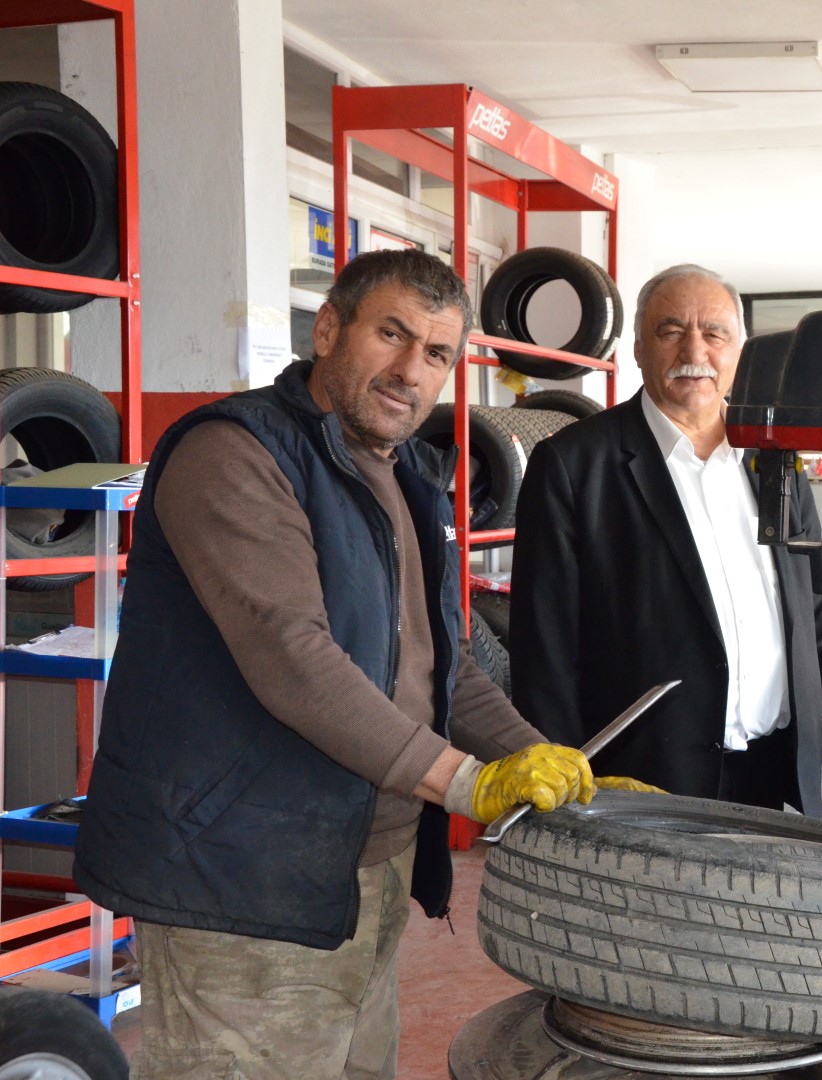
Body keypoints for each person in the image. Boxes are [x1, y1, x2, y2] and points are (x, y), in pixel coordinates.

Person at [73, 249, 652, 1080]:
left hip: (360, 864)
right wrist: (462, 782)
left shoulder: (404, 473)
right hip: (238, 880)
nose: (410, 371)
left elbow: (443, 665)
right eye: (392, 334)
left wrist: (545, 762)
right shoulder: (233, 454)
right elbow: (293, 659)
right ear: (330, 328)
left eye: (438, 354)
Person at [510, 264, 822, 815]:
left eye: (715, 333)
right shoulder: (573, 466)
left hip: (777, 772)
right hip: (644, 781)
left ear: (739, 350)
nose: (695, 350)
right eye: (670, 331)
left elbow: (817, 608)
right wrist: (565, 789)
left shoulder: (776, 461)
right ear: (639, 347)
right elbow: (544, 647)